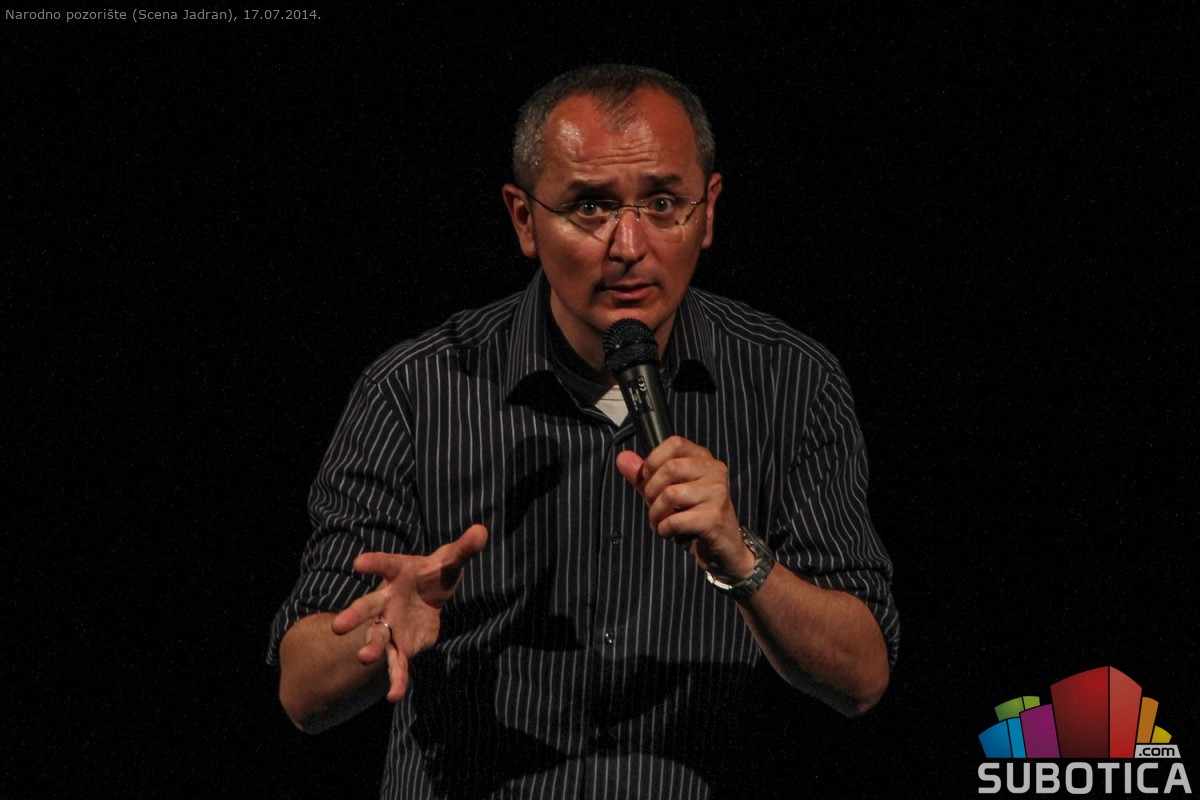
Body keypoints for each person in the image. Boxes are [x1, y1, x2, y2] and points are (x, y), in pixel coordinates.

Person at [269, 64, 898, 799]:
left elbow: (862, 677)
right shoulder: (413, 391)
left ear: (708, 212)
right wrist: (378, 629)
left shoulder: (792, 383)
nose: (628, 245)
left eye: (662, 204)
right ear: (523, 220)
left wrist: (743, 559)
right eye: (591, 208)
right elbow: (303, 692)